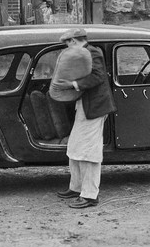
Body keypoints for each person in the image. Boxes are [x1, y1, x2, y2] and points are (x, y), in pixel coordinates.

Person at [50, 28, 117, 209]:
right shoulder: (85, 53)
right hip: (86, 105)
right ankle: (77, 187)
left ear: (73, 41)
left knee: (88, 151)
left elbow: (98, 76)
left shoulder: (92, 52)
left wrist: (73, 84)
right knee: (75, 147)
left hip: (94, 107)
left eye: (67, 44)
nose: (67, 47)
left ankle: (89, 195)